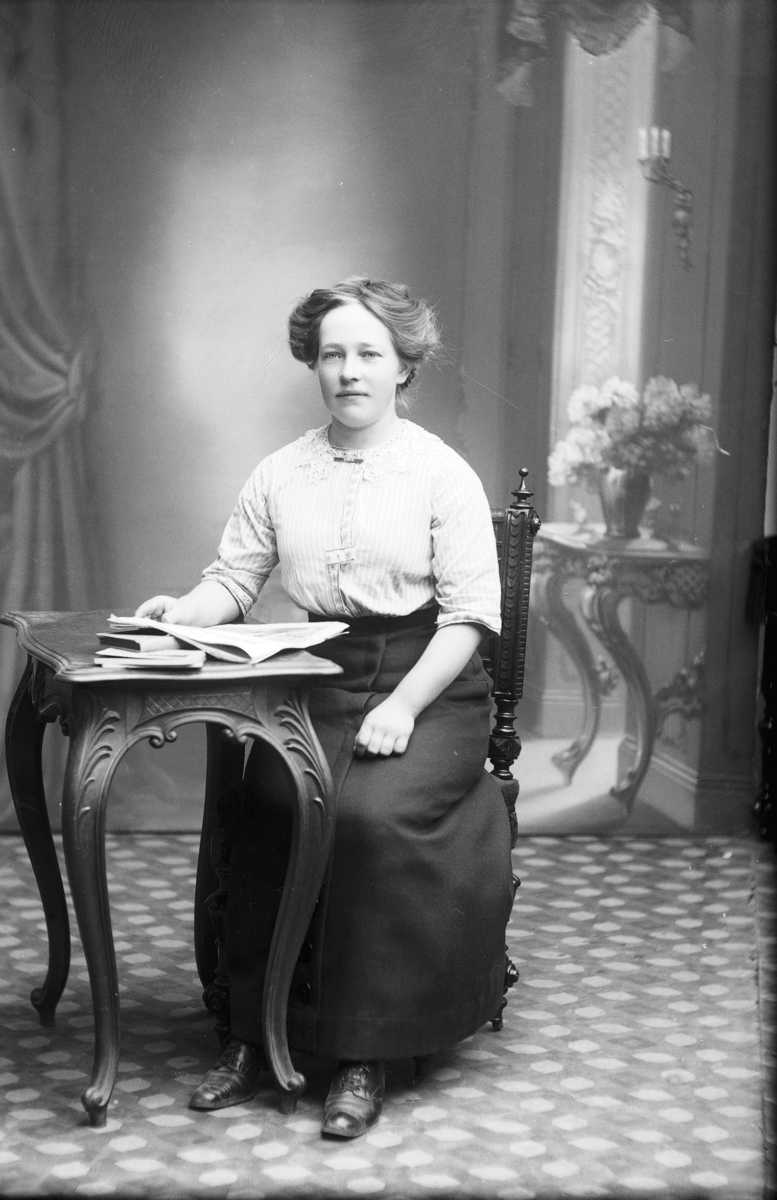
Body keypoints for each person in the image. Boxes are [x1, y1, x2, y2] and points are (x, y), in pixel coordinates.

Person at [136, 277, 514, 1139]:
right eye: (333, 354)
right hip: (317, 677)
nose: (349, 371)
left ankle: (363, 1054)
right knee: (270, 806)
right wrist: (180, 612)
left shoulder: (439, 473)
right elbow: (234, 579)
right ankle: (250, 1034)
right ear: (313, 363)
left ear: (402, 367)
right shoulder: (282, 471)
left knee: (367, 816)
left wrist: (405, 707)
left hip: (429, 685)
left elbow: (468, 618)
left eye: (368, 354)